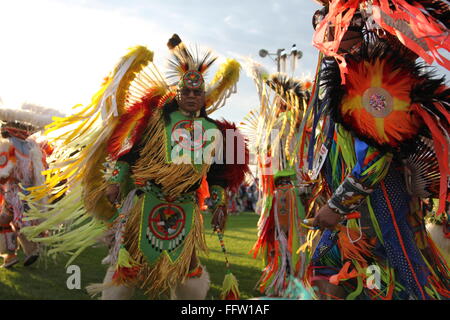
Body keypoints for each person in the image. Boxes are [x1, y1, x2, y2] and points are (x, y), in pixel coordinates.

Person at [23, 34, 249, 300]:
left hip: (186, 207)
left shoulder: (217, 131)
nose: (190, 96)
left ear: (203, 96)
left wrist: (220, 203)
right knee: (128, 260)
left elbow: (219, 174)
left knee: (187, 266)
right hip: (147, 201)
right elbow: (127, 152)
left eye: (196, 92)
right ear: (178, 92)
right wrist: (116, 181)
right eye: (185, 91)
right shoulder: (155, 120)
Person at [303, 0, 449, 299]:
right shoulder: (343, 76)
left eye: (336, 26)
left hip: (382, 206)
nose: (328, 37)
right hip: (357, 210)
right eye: (325, 27)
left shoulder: (372, 75)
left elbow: (376, 154)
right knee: (329, 272)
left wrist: (338, 205)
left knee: (396, 280)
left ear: (355, 30)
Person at [243, 61, 311, 298]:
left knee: (296, 243)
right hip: (284, 194)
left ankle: (293, 284)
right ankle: (287, 285)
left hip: (294, 193)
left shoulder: (301, 124)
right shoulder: (280, 125)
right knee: (285, 244)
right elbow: (269, 165)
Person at [0, 103, 57, 268]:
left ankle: (29, 250)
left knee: (14, 221)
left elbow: (7, 173)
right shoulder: (32, 147)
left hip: (16, 192)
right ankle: (10, 255)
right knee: (9, 220)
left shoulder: (9, 145)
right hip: (26, 192)